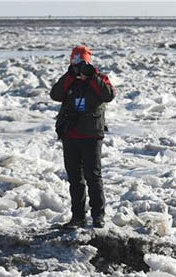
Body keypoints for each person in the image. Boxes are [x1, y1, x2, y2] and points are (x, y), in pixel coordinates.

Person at [50, 45, 115, 228]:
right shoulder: (69, 79)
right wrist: (70, 76)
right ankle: (78, 217)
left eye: (83, 63)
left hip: (91, 135)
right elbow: (55, 94)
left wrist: (92, 76)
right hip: (70, 135)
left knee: (93, 177)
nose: (79, 67)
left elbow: (108, 95)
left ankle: (98, 216)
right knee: (75, 179)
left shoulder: (99, 78)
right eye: (76, 63)